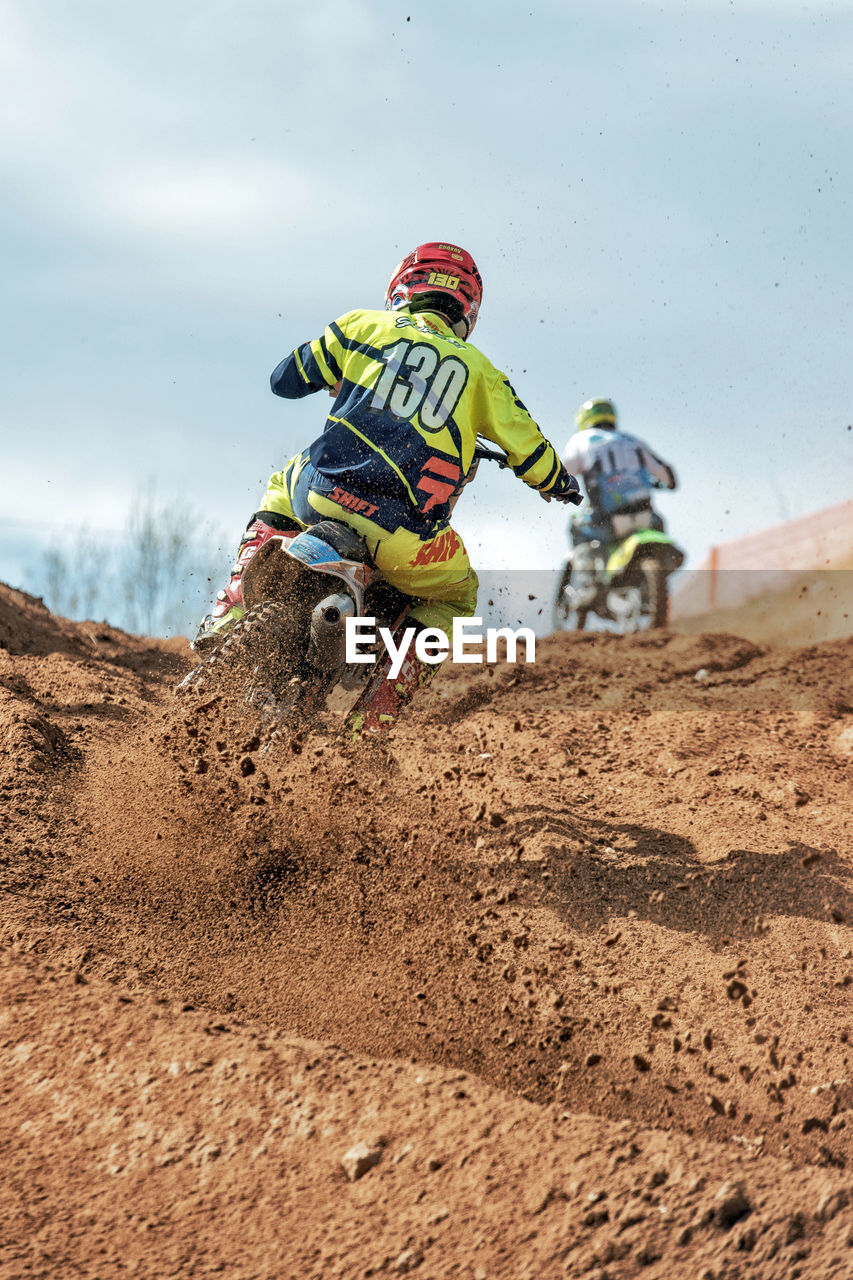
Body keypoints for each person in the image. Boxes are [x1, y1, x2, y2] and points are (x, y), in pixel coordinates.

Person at [194, 241, 580, 730]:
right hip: (403, 541)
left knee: (278, 486)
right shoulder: (483, 373)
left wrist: (341, 375)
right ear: (467, 309)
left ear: (402, 288)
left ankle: (227, 614)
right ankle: (369, 728)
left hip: (318, 497)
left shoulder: (362, 326)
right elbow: (534, 452)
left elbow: (283, 380)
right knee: (457, 597)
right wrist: (560, 484)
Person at [560, 398, 677, 548]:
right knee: (659, 523)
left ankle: (585, 571)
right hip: (646, 516)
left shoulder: (580, 440)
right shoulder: (632, 440)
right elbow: (670, 480)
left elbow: (561, 476)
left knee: (576, 525)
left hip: (607, 520)